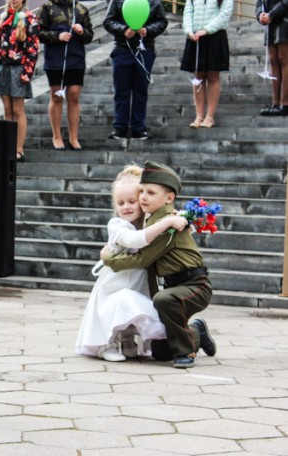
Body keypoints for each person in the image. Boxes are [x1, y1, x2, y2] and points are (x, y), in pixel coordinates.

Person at [101, 161, 217, 368]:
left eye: (151, 193)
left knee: (164, 300)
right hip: (175, 287)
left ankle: (186, 353)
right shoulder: (153, 221)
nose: (143, 197)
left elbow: (143, 259)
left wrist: (108, 259)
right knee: (160, 351)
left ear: (169, 198)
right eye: (142, 191)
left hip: (195, 285)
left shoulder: (166, 225)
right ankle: (197, 332)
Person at [76, 164, 188, 362]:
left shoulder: (149, 222)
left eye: (131, 201)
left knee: (135, 308)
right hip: (115, 283)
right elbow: (135, 240)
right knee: (120, 304)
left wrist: (176, 218)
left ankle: (128, 341)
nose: (125, 207)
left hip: (137, 279)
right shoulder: (117, 225)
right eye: (120, 203)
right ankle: (106, 344)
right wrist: (168, 222)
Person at [104, 0, 168, 140]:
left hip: (145, 50)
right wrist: (123, 29)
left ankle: (139, 128)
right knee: (121, 91)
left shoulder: (154, 1)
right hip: (122, 49)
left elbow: (162, 21)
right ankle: (120, 127)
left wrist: (148, 30)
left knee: (141, 91)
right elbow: (108, 21)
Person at [39, 0, 93, 151]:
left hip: (76, 58)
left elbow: (89, 36)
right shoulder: (47, 7)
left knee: (74, 95)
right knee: (57, 96)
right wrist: (57, 36)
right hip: (55, 59)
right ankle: (56, 136)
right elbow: (38, 32)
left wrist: (82, 32)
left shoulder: (81, 8)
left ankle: (73, 137)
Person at [0, 0, 40, 161]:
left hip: (19, 68)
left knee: (18, 110)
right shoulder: (3, 17)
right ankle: (8, 146)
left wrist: (27, 72)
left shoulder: (30, 18)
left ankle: (18, 148)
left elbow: (33, 48)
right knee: (7, 111)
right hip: (2, 67)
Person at [181, 0, 233, 128]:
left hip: (215, 36)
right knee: (198, 76)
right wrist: (189, 31)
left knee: (213, 76)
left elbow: (225, 14)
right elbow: (188, 12)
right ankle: (199, 116)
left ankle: (209, 117)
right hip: (195, 37)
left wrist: (206, 30)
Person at [257, 0, 288, 115]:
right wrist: (260, 14)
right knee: (273, 60)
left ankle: (285, 103)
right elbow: (259, 2)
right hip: (270, 20)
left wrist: (271, 15)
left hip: (284, 17)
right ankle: (276, 102)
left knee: (284, 59)